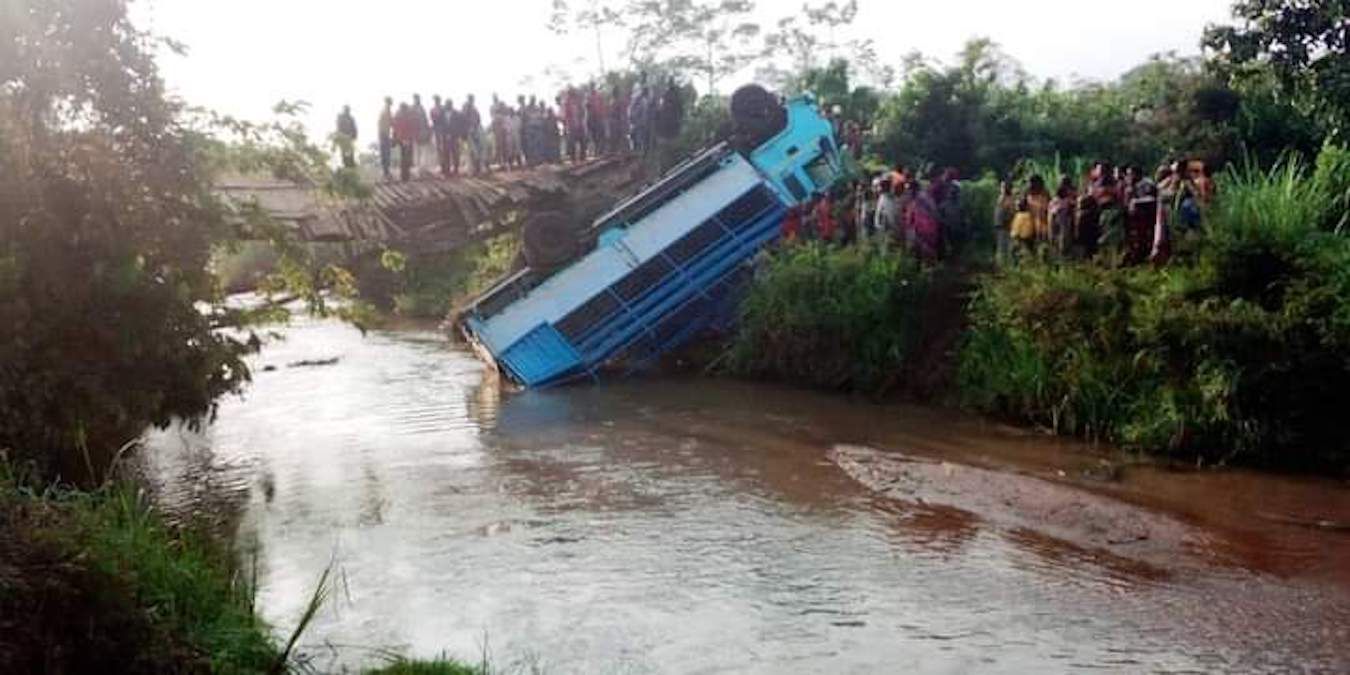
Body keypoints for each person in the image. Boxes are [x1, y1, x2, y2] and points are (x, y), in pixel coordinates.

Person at [1123, 166, 1157, 265]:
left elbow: (1151, 199)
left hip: (1146, 215)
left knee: (1144, 236)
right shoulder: (1130, 186)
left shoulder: (1147, 184)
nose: (1128, 177)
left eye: (1130, 174)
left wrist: (1136, 202)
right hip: (1134, 217)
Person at [1049, 176, 1077, 257]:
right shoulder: (1067, 201)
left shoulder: (1055, 201)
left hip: (1061, 220)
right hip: (1063, 220)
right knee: (1063, 238)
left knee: (1061, 238)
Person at [392, 102, 418, 182]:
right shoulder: (405, 116)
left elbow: (395, 128)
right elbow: (408, 127)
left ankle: (405, 175)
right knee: (406, 157)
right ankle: (405, 175)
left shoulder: (398, 115)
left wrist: (396, 138)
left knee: (404, 156)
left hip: (402, 138)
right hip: (406, 138)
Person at [1024, 175, 1051, 249]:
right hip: (1031, 221)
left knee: (1043, 240)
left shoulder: (1045, 192)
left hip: (1042, 220)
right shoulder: (1027, 193)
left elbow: (1049, 206)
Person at [994, 180, 1016, 264]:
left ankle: (1007, 263)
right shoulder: (1001, 198)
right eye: (1002, 187)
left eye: (1004, 187)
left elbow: (1011, 212)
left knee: (1007, 245)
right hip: (1000, 225)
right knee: (1001, 245)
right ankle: (1001, 263)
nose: (1002, 189)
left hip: (1007, 225)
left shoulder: (1010, 199)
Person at [411, 94, 434, 174]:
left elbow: (425, 120)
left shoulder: (422, 108)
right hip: (416, 133)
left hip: (423, 132)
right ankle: (418, 168)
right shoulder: (412, 109)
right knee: (416, 151)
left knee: (424, 150)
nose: (417, 100)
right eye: (416, 99)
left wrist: (428, 130)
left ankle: (424, 167)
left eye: (418, 99)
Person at [462, 95, 484, 175]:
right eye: (471, 99)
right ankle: (471, 170)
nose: (472, 100)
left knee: (477, 150)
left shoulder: (474, 108)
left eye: (472, 99)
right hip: (469, 131)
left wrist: (476, 126)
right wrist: (469, 127)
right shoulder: (466, 107)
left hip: (475, 131)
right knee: (471, 151)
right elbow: (464, 118)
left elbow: (478, 119)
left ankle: (477, 169)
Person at [874, 177, 899, 247]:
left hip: (893, 226)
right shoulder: (883, 198)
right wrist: (878, 224)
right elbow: (879, 213)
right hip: (885, 226)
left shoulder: (892, 197)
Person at [586, 84, 608, 157]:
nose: (591, 89)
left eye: (592, 87)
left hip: (598, 118)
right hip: (592, 119)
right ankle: (596, 152)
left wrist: (603, 116)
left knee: (599, 136)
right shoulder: (588, 97)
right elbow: (587, 108)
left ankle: (600, 152)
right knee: (594, 137)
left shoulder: (598, 96)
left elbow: (602, 107)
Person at [431, 95, 450, 177]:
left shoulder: (438, 109)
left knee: (444, 150)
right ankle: (444, 168)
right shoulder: (436, 109)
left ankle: (445, 169)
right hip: (439, 132)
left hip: (442, 132)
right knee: (441, 151)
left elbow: (445, 121)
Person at [443, 96, 462, 176]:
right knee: (446, 153)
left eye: (449, 104)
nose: (448, 105)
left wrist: (456, 134)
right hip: (445, 136)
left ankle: (456, 169)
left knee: (455, 153)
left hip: (454, 136)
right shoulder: (442, 113)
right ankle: (447, 170)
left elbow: (459, 125)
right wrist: (445, 134)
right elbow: (441, 124)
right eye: (447, 104)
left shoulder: (456, 113)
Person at [334, 105, 357, 169]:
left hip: (349, 137)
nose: (347, 111)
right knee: (344, 153)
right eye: (346, 110)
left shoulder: (351, 118)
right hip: (342, 137)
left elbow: (354, 128)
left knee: (351, 153)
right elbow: (338, 126)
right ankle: (346, 166)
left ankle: (351, 166)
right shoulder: (340, 117)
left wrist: (354, 136)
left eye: (348, 110)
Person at [377, 97, 394, 180]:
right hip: (384, 135)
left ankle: (386, 172)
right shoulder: (386, 111)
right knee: (386, 154)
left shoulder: (385, 111)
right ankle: (386, 172)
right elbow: (390, 123)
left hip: (383, 134)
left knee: (385, 154)